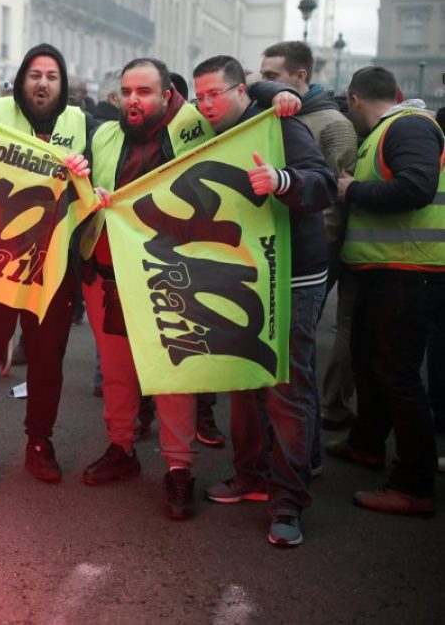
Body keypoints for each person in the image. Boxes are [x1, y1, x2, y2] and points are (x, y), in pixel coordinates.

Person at [192, 55, 335, 546]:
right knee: (244, 380)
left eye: (214, 94)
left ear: (241, 91)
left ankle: (289, 501)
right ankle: (250, 475)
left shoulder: (279, 125)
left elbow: (322, 185)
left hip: (294, 277)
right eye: (200, 96)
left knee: (287, 387)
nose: (206, 104)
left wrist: (280, 182)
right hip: (243, 276)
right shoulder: (212, 130)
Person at [79, 57, 220, 520]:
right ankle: (122, 448)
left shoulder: (196, 128)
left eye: (144, 92)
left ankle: (179, 467)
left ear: (166, 94)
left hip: (171, 274)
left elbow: (241, 112)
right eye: (127, 92)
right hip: (107, 272)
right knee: (117, 371)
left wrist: (282, 96)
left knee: (171, 373)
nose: (133, 100)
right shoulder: (104, 133)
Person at [0, 43, 96, 482]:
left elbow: (104, 182)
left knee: (46, 362)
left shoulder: (84, 125)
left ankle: (39, 444)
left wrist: (87, 171)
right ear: (21, 79)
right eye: (35, 75)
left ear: (63, 85)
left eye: (52, 76)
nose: (43, 83)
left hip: (54, 270)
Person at [329, 66, 443, 517]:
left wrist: (353, 190)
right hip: (387, 270)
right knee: (371, 364)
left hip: (410, 272)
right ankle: (366, 444)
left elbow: (416, 187)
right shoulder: (389, 131)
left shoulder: (408, 127)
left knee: (397, 376)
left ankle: (414, 485)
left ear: (355, 99)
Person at [259, 41, 360, 438]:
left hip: (308, 258)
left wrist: (323, 266)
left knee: (296, 369)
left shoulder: (332, 125)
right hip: (275, 253)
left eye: (272, 76)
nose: (264, 83)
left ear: (299, 77)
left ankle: (307, 452)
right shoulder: (274, 109)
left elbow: (333, 198)